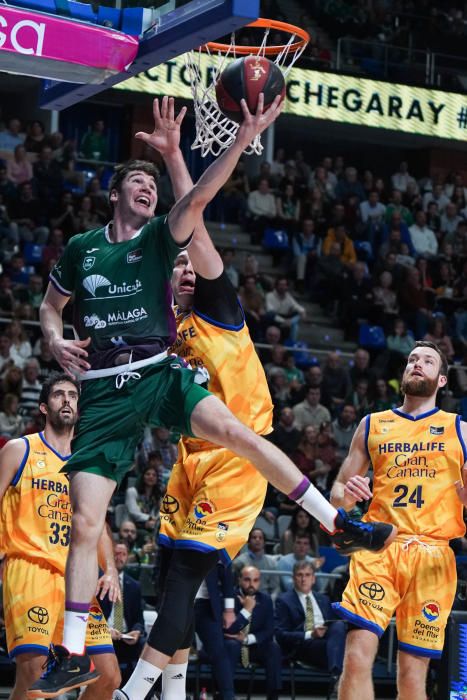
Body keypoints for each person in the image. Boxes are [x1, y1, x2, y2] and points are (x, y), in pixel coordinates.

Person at [32, 96, 394, 699]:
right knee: (89, 524)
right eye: (137, 180)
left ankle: (337, 525)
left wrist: (229, 139)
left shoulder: (203, 287)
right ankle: (72, 652)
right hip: (125, 406)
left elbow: (196, 205)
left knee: (238, 447)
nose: (146, 189)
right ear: (116, 192)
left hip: (185, 407)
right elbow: (50, 305)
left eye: (153, 183)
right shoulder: (86, 252)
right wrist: (53, 339)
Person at [330, 341, 467, 700]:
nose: (417, 364)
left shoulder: (460, 430)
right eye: (411, 359)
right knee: (357, 658)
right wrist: (349, 494)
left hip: (433, 556)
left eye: (427, 361)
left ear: (441, 379)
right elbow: (337, 494)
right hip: (380, 547)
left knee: (411, 676)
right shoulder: (372, 424)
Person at [0, 372, 120, 700]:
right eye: (58, 395)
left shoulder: (88, 464)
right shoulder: (18, 449)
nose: (67, 399)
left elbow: (99, 524)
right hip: (30, 569)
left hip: (75, 578)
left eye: (73, 395)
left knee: (107, 675)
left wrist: (110, 569)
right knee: (36, 673)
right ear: (43, 406)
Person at [275, 561, 346, 687]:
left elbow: (332, 626)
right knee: (342, 650)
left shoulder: (323, 599)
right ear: (293, 578)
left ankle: (336, 674)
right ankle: (338, 678)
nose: (303, 579)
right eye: (299, 575)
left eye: (307, 575)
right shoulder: (284, 600)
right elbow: (281, 635)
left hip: (327, 642)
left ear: (313, 579)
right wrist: (310, 634)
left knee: (339, 626)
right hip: (302, 645)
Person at [224, 566, 282, 700]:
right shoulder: (229, 598)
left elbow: (269, 630)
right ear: (239, 580)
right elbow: (229, 629)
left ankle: (273, 695)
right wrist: (246, 609)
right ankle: (225, 694)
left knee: (273, 648)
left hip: (253, 645)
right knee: (231, 645)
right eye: (247, 580)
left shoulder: (265, 600)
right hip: (233, 648)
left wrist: (247, 639)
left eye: (255, 580)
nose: (251, 585)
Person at [101, 541, 146, 684]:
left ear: (127, 557)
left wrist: (137, 631)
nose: (119, 557)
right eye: (116, 553)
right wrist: (105, 630)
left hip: (126, 638)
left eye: (123, 554)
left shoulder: (134, 586)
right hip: (103, 636)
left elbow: (139, 620)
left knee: (147, 647)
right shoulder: (99, 581)